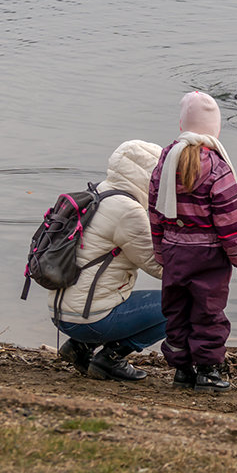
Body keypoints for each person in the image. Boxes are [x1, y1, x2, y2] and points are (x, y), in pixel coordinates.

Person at [148, 91, 237, 392]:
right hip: (209, 257)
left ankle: (182, 370)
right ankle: (207, 371)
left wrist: (160, 251)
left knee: (177, 310)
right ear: (216, 130)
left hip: (174, 250)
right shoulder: (219, 171)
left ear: (182, 124)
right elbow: (231, 223)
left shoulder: (164, 164)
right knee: (208, 312)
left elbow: (154, 212)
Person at [53, 140, 168, 382]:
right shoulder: (129, 211)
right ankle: (111, 358)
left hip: (62, 313)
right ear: (150, 176)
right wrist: (201, 264)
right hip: (88, 320)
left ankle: (79, 347)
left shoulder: (97, 193)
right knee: (181, 304)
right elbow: (159, 267)